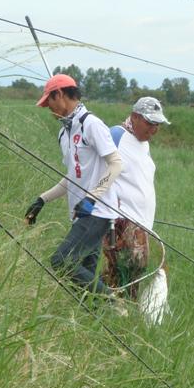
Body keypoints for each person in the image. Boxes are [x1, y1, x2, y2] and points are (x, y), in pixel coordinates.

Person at [24, 74, 123, 297]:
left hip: (97, 212)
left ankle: (112, 301)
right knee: (83, 286)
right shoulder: (64, 132)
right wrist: (42, 200)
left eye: (48, 101)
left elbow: (116, 164)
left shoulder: (91, 124)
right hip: (81, 214)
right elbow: (72, 177)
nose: (48, 108)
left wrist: (91, 198)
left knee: (62, 261)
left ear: (59, 95)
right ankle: (99, 316)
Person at [102, 97, 169, 299]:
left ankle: (120, 314)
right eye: (150, 123)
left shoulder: (143, 143)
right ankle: (110, 309)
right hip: (121, 222)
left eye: (157, 124)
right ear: (134, 117)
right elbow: (97, 173)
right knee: (124, 271)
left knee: (135, 273)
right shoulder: (116, 136)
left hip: (142, 223)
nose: (154, 129)